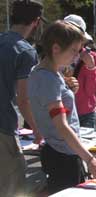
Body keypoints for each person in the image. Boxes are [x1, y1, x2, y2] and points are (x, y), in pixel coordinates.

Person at [28, 20, 96, 194]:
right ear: (56, 48)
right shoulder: (48, 78)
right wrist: (90, 159)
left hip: (59, 151)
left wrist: (67, 89)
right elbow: (62, 125)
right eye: (73, 50)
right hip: (63, 155)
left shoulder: (44, 72)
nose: (76, 56)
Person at [0, 1, 44, 196]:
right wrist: (37, 129)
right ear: (36, 22)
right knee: (14, 185)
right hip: (3, 126)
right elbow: (23, 99)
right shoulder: (25, 51)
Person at [64, 14, 96, 129]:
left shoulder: (93, 57)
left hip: (85, 112)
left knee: (86, 145)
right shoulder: (57, 55)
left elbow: (91, 91)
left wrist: (90, 67)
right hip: (62, 111)